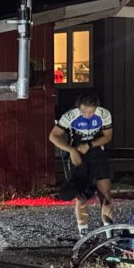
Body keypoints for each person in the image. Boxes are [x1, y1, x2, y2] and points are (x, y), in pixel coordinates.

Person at [49, 91, 113, 236]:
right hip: (78, 156)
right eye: (84, 112)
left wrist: (90, 145)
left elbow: (108, 136)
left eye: (91, 112)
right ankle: (83, 235)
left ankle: (110, 234)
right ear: (79, 107)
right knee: (81, 196)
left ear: (97, 108)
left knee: (106, 195)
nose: (87, 115)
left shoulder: (104, 114)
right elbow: (53, 136)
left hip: (98, 154)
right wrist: (71, 150)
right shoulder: (71, 115)